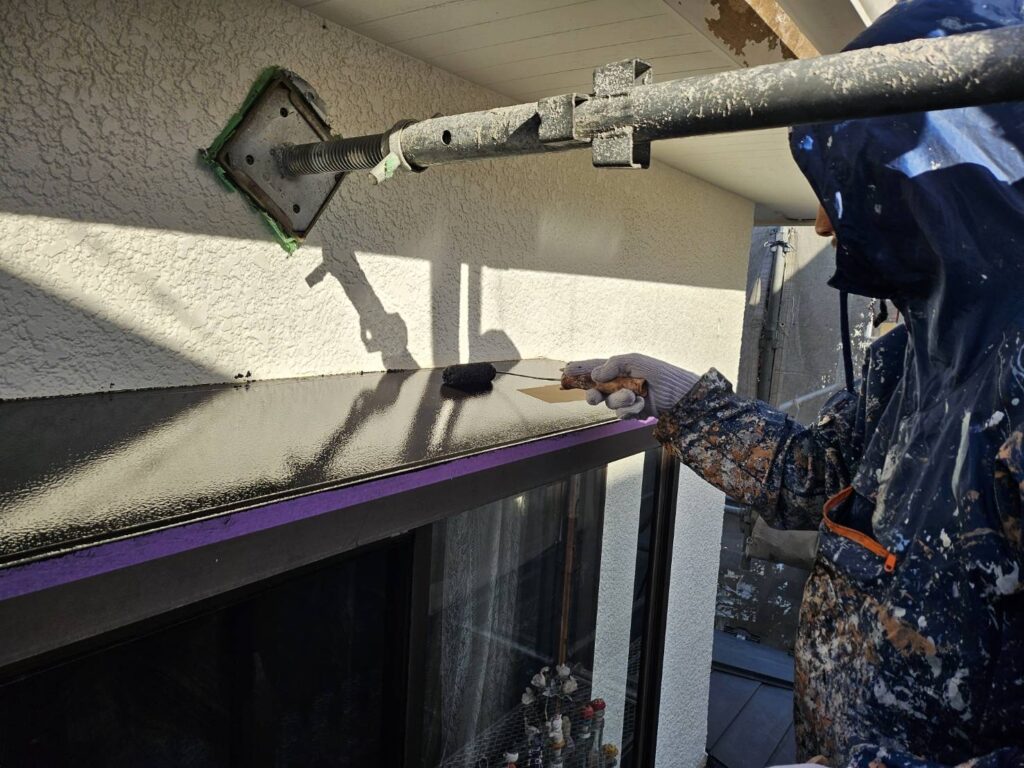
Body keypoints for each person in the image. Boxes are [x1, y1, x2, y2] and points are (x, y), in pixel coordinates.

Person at [567, 2, 1024, 766]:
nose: (819, 225)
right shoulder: (906, 360)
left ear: (933, 184)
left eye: (847, 182)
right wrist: (676, 397)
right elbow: (811, 477)